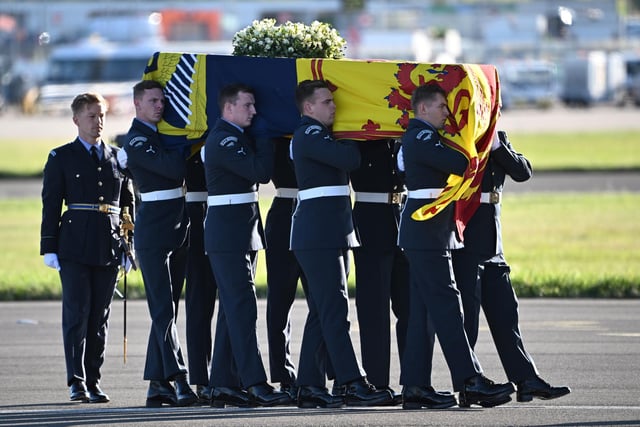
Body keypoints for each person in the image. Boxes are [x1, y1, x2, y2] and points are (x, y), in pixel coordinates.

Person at [397, 82, 515, 409]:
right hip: (426, 232)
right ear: (423, 109)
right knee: (448, 305)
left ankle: (416, 386)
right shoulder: (420, 136)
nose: (447, 113)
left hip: (431, 231)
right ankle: (470, 379)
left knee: (423, 312)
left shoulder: (427, 136)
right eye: (441, 107)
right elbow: (460, 164)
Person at [290, 79, 393, 408]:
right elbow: (350, 159)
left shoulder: (318, 134)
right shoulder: (308, 134)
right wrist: (351, 133)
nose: (334, 106)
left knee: (323, 312)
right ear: (308, 107)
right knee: (334, 311)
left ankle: (308, 385)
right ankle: (351, 381)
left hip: (330, 232)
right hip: (319, 235)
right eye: (326, 102)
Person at [452, 128, 571, 404]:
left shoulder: (498, 138)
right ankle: (469, 383)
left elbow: (523, 171)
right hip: (467, 236)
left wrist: (497, 146)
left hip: (493, 241)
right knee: (467, 318)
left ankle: (525, 378)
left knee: (506, 312)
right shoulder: (461, 134)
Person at [40, 92, 134, 403]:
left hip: (107, 244)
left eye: (102, 116)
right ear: (76, 120)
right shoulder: (61, 157)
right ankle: (76, 380)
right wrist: (48, 246)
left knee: (100, 317)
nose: (98, 123)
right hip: (74, 245)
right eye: (91, 116)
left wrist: (128, 246)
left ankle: (93, 380)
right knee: (77, 313)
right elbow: (51, 204)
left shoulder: (117, 157)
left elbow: (127, 206)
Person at [203, 83, 291, 408]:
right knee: (242, 308)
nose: (254, 111)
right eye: (248, 105)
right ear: (229, 108)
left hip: (241, 230)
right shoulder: (225, 139)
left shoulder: (235, 136)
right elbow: (261, 171)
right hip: (229, 234)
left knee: (232, 310)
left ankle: (222, 385)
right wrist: (265, 139)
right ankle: (254, 383)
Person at [121, 79, 197, 407]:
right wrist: (186, 143)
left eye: (161, 100)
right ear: (137, 104)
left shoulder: (160, 135)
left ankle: (157, 385)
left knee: (168, 309)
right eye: (152, 101)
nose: (159, 106)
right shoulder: (136, 139)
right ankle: (179, 379)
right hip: (153, 231)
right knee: (163, 309)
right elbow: (175, 167)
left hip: (177, 226)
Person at [350, 139, 410, 405]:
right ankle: (376, 382)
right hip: (371, 220)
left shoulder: (401, 138)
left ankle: (414, 382)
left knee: (410, 308)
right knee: (374, 310)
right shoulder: (361, 138)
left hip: (402, 218)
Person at [264, 136, 306, 400]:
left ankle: (321, 374)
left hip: (316, 209)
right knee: (280, 299)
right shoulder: (276, 136)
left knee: (324, 301)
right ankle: (283, 373)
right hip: (283, 213)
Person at [184, 150, 218, 403]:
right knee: (199, 304)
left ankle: (228, 375)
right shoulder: (186, 141)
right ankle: (201, 377)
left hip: (225, 213)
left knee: (233, 306)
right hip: (194, 217)